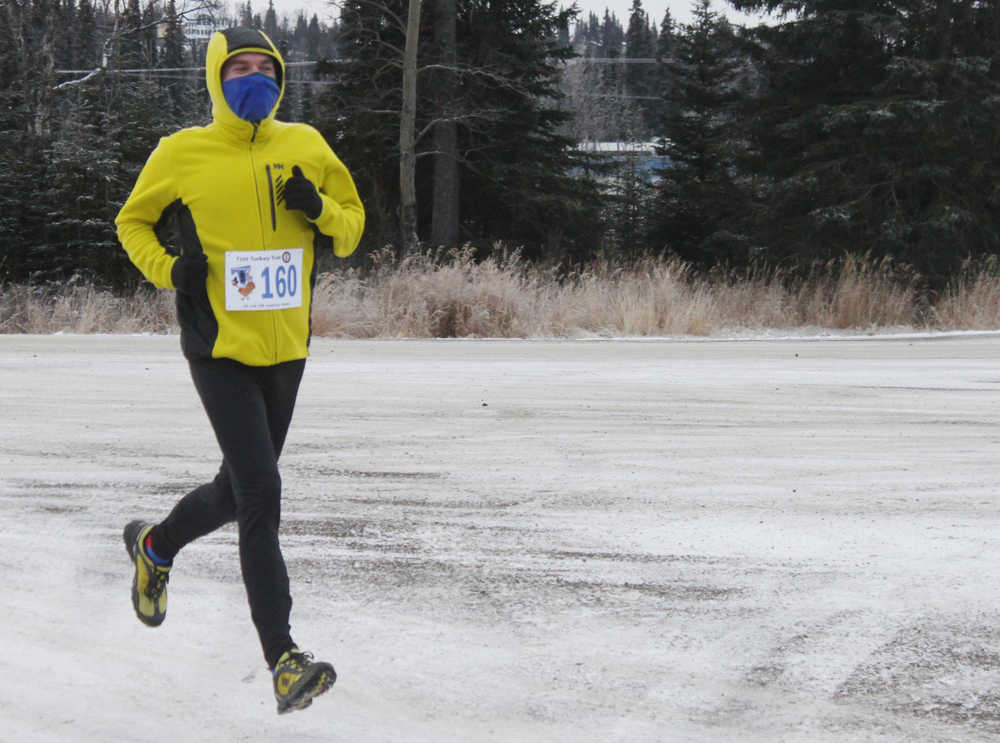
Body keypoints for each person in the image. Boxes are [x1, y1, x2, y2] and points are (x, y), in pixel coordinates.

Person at [115, 27, 364, 715]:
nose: (253, 78)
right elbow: (131, 223)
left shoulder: (306, 145)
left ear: (280, 77)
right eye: (238, 68)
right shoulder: (181, 152)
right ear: (215, 78)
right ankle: (284, 658)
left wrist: (320, 209)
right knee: (260, 489)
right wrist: (171, 270)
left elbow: (351, 227)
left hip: (287, 349)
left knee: (235, 490)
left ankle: (156, 546)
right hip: (218, 347)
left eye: (265, 67)